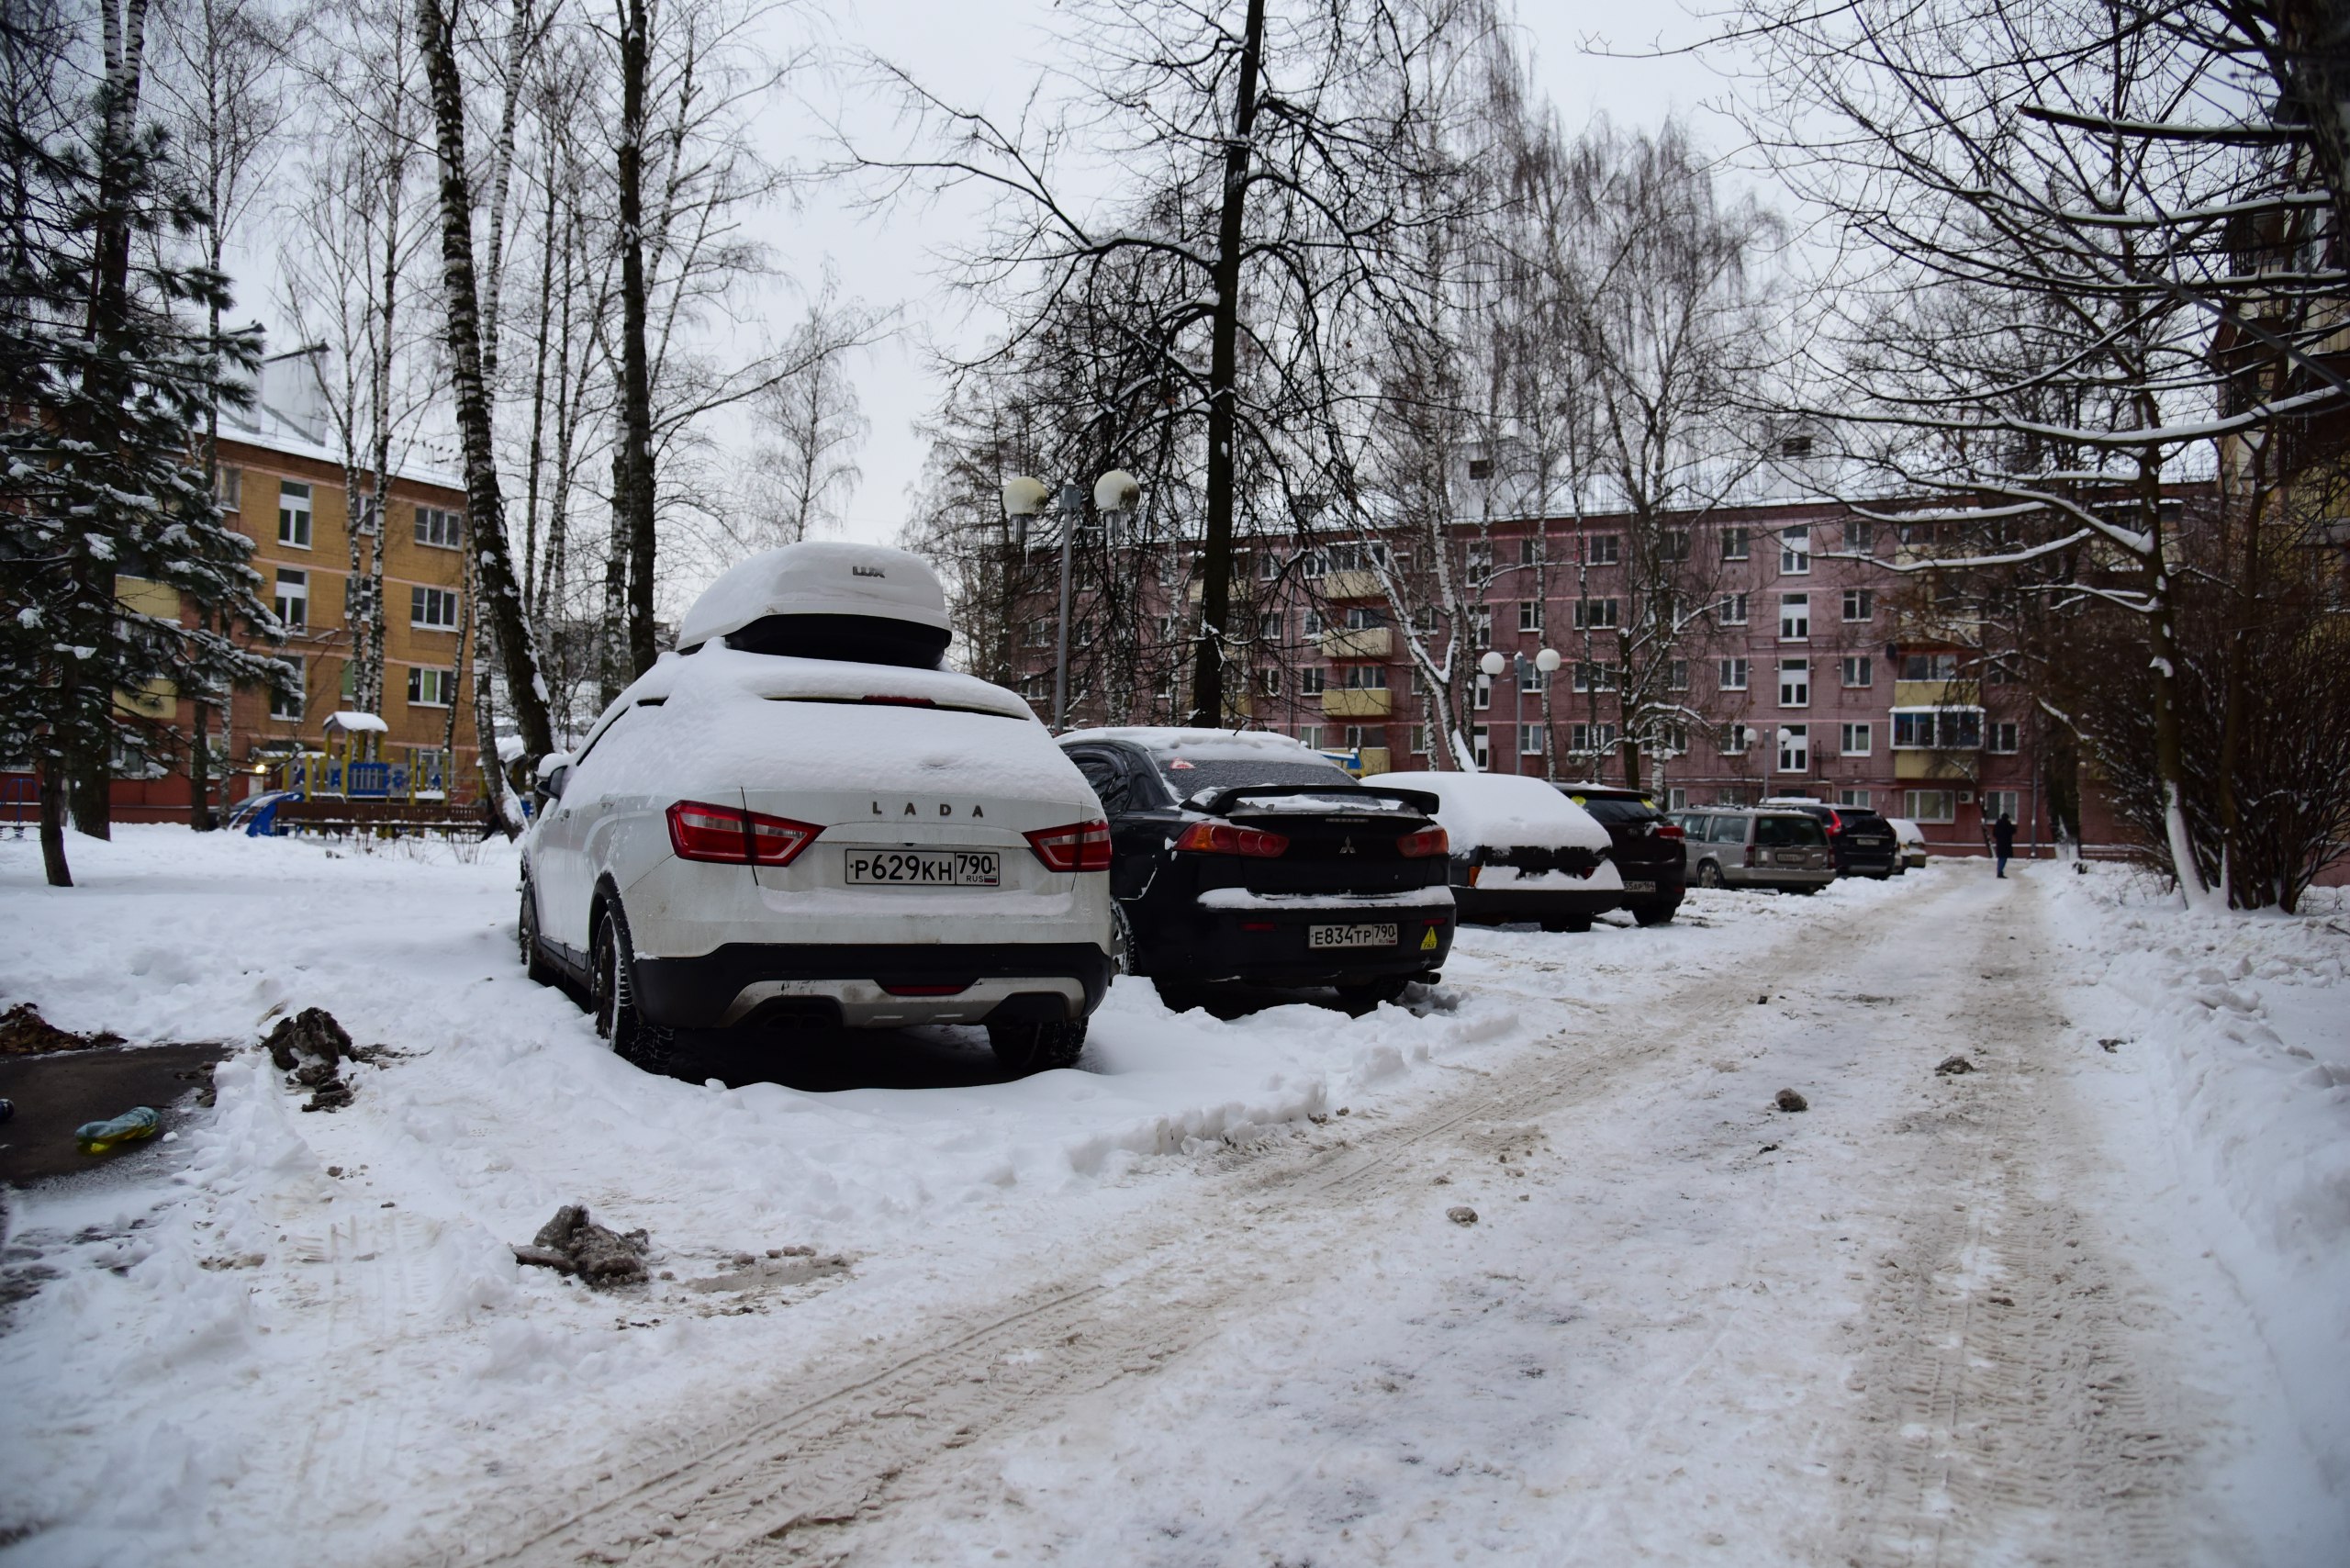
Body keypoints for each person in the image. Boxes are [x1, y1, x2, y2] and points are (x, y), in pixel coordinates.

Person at [1992, 811, 2016, 878]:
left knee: (2000, 858)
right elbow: (2014, 830)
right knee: (2004, 858)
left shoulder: (1998, 824)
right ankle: (2000, 872)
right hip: (2006, 844)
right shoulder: (2007, 824)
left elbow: (1994, 833)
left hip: (1999, 843)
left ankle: (1999, 871)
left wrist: (1999, 837)